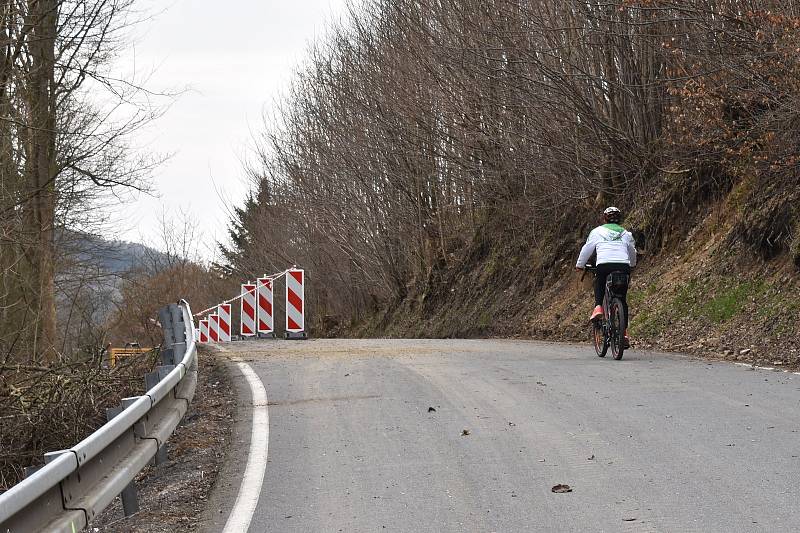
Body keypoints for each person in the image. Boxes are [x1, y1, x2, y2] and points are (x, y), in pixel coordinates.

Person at [575, 206, 637, 346]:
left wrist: (580, 264)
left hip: (604, 265)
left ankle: (598, 307)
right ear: (619, 220)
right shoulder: (626, 234)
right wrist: (632, 264)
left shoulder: (597, 232)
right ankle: (624, 334)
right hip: (623, 266)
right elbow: (632, 251)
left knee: (600, 281)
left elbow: (587, 249)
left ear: (604, 219)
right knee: (622, 298)